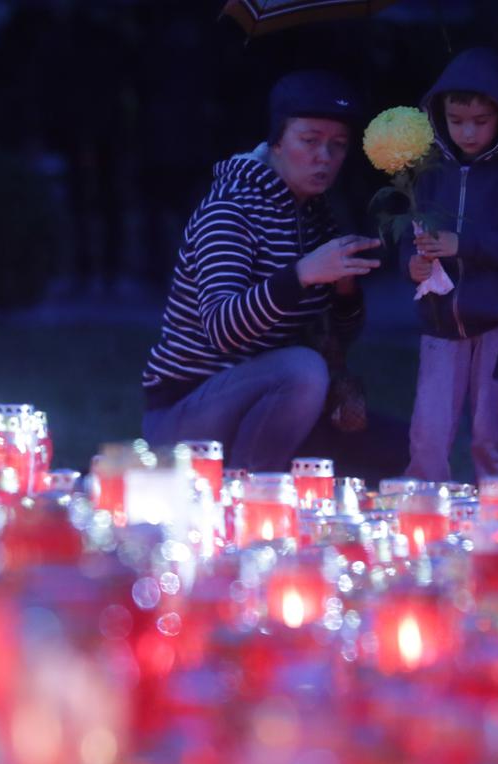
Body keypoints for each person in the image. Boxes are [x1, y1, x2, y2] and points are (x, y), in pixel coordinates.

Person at [141, 70, 378, 472]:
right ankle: (251, 492)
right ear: (277, 141)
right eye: (310, 140)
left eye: (338, 145)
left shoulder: (317, 218)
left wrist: (345, 291)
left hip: (265, 403)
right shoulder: (229, 211)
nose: (324, 156)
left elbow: (337, 338)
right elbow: (222, 329)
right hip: (185, 413)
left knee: (393, 448)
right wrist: (300, 274)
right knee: (303, 370)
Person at [401, 47, 498, 482]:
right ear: (438, 115)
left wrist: (464, 245)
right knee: (427, 434)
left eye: (480, 121)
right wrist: (412, 266)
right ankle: (424, 511)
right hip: (441, 322)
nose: (467, 132)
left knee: (489, 431)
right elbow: (410, 234)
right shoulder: (428, 172)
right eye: (455, 120)